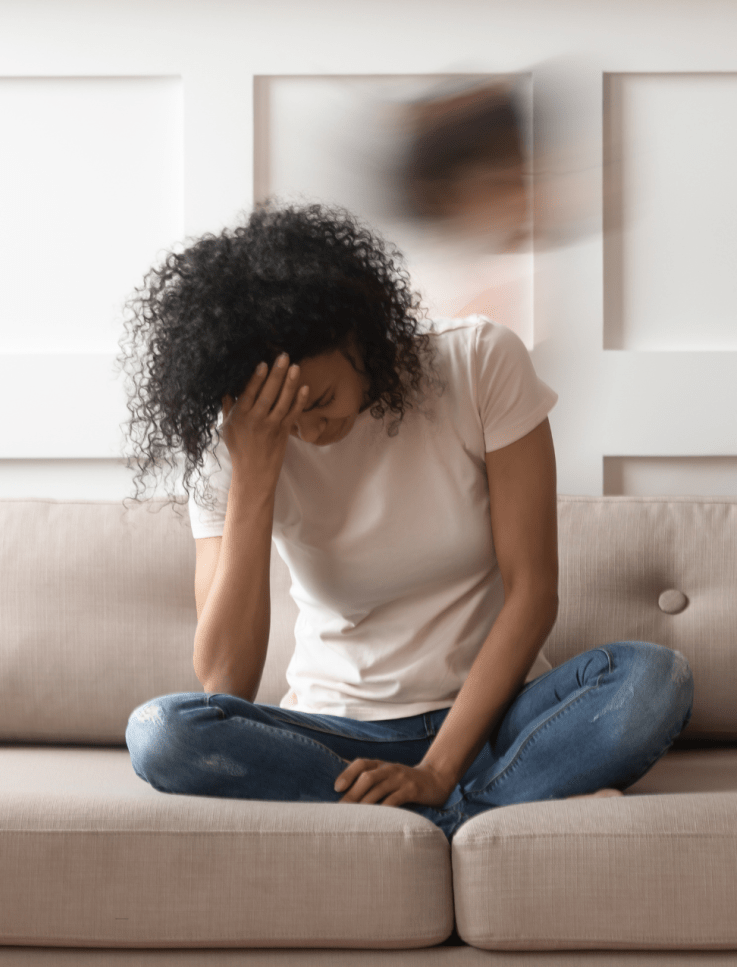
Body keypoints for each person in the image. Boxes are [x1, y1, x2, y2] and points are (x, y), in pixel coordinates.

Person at [118, 201, 694, 844]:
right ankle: (486, 809)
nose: (309, 430)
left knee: (653, 679)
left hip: (497, 720)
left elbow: (534, 593)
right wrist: (254, 476)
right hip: (337, 738)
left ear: (358, 337)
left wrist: (437, 771)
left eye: (321, 400)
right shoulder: (239, 443)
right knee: (160, 733)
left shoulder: (479, 362)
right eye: (288, 418)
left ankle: (423, 811)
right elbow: (226, 681)